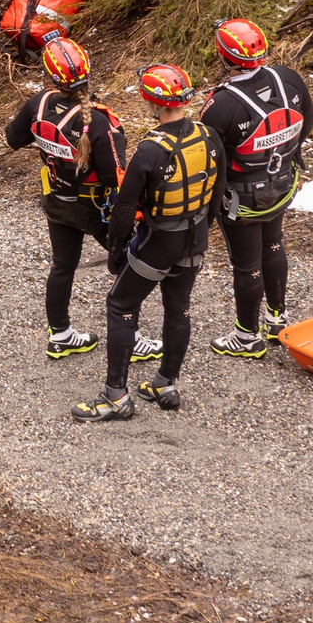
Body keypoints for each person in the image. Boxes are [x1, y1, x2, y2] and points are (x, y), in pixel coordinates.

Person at [74, 64, 227, 423]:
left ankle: (115, 396)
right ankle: (164, 384)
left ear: (151, 102)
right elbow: (217, 193)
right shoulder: (209, 135)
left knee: (121, 304)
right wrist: (204, 228)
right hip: (195, 237)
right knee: (178, 308)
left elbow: (124, 211)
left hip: (160, 241)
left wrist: (116, 249)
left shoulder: (150, 150)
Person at [4, 36, 159, 366]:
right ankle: (129, 338)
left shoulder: (39, 104)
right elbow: (114, 177)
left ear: (50, 76)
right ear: (88, 72)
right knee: (127, 266)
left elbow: (12, 138)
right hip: (95, 208)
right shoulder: (99, 122)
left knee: (63, 266)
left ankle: (60, 335)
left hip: (58, 201)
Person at [200, 17, 313, 358]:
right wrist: (286, 152)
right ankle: (277, 320)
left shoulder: (221, 105)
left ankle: (247, 336)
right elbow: (306, 118)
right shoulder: (288, 79)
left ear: (224, 57)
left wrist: (212, 201)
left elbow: (211, 157)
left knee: (247, 263)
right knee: (274, 244)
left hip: (243, 199)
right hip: (283, 183)